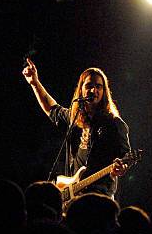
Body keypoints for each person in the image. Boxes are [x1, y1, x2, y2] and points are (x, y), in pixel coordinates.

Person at [22, 58, 131, 198]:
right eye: (89, 86)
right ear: (81, 89)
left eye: (99, 86)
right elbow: (51, 108)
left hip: (100, 196)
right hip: (74, 194)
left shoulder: (114, 124)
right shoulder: (74, 118)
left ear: (104, 91)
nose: (94, 90)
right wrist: (34, 82)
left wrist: (121, 168)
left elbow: (125, 158)